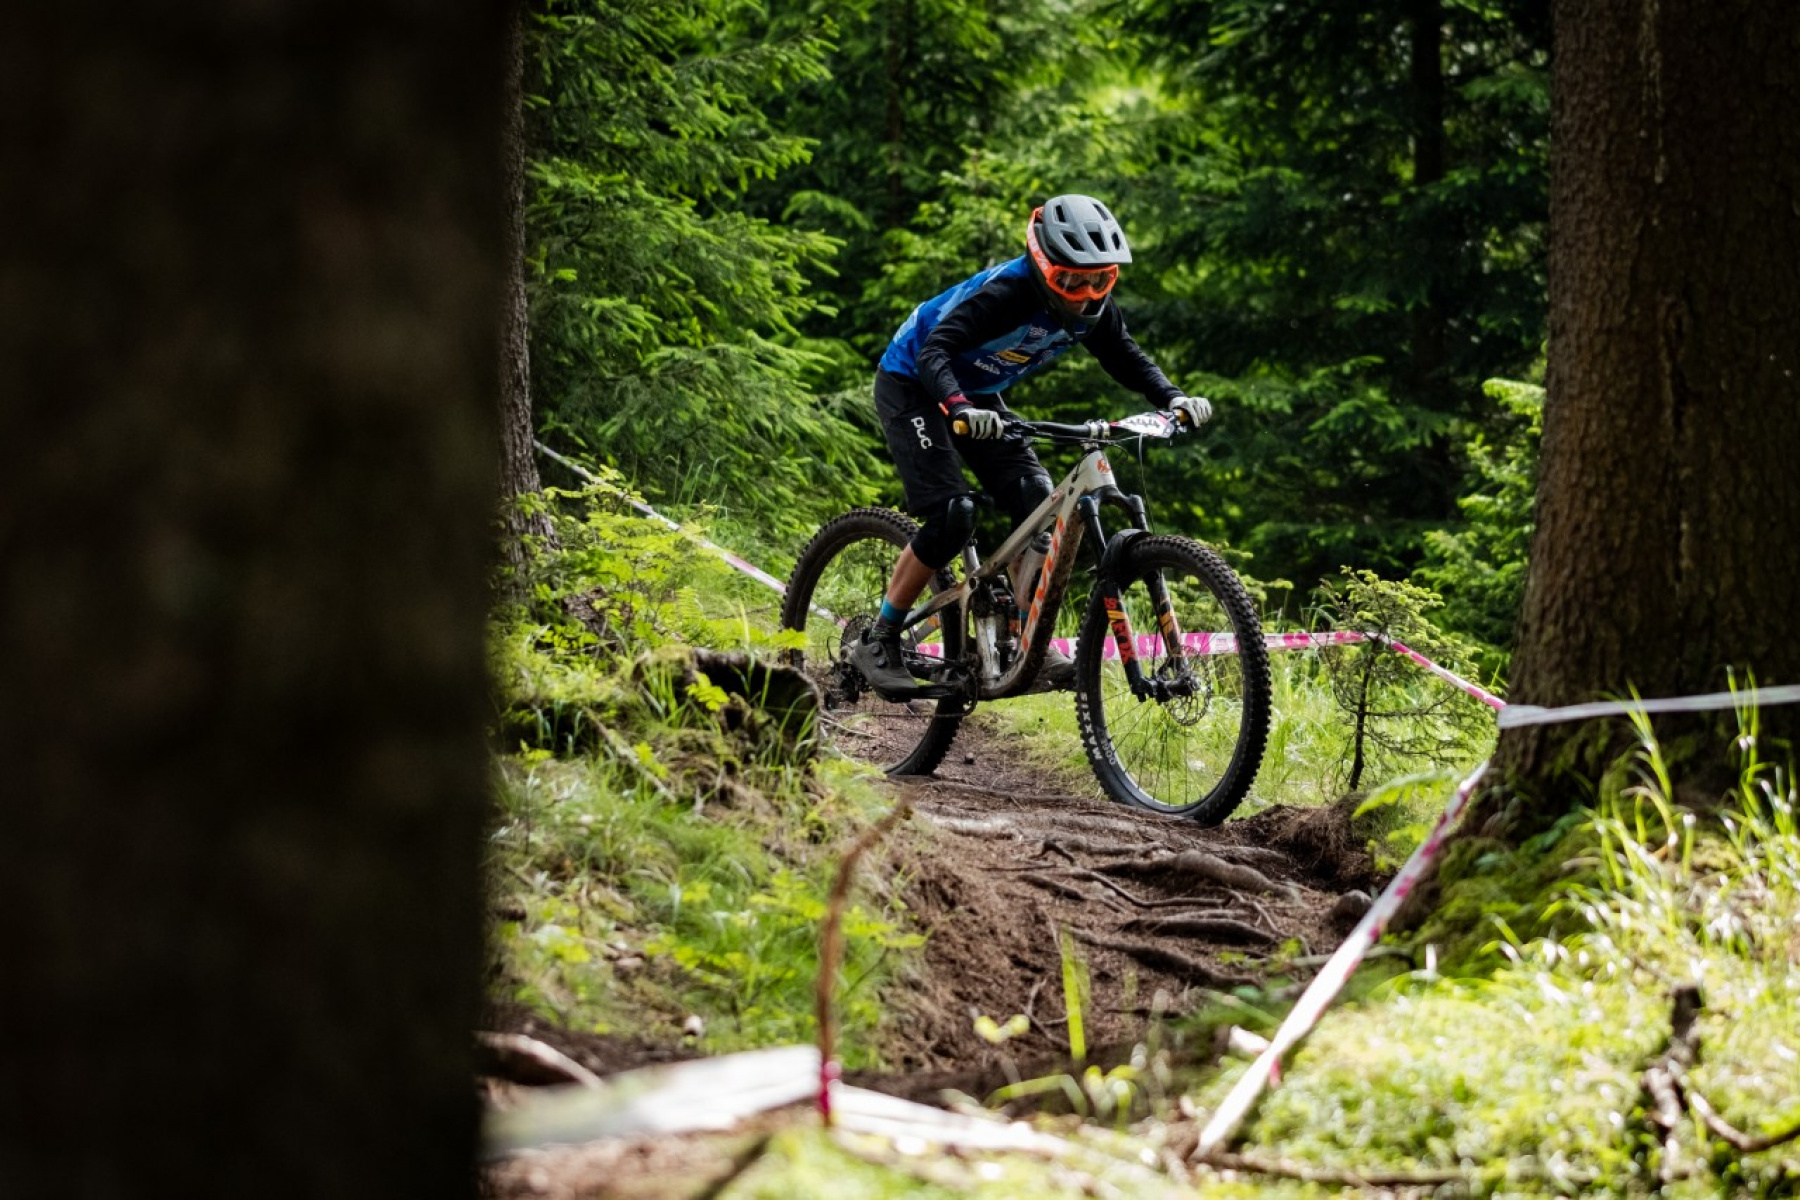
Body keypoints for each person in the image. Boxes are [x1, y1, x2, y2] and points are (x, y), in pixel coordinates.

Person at [851, 193, 1213, 699]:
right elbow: (935, 350)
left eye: (1100, 279)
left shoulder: (1094, 310)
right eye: (1070, 280)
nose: (1085, 294)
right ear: (1042, 268)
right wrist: (957, 407)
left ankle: (1028, 643)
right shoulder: (1005, 294)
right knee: (952, 513)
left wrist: (1174, 398)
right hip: (913, 380)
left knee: (1037, 500)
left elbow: (1127, 358)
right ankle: (881, 636)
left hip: (975, 393)